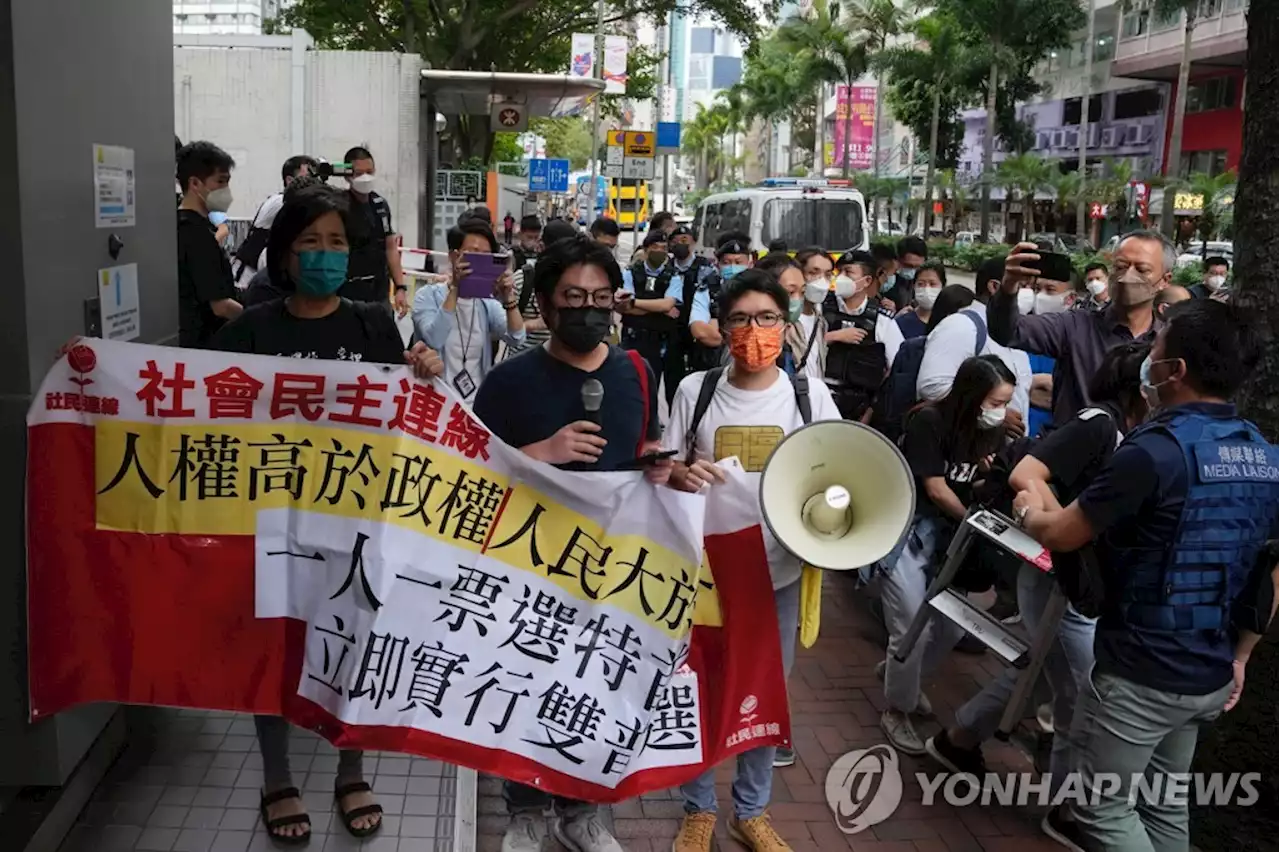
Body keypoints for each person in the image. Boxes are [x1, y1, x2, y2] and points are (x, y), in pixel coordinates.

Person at [211, 183, 443, 845]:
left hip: (356, 520)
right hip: (276, 522)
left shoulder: (372, 322)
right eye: (309, 243)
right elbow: (181, 392)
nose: (323, 254)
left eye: (336, 243)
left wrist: (419, 366)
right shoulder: (252, 329)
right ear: (284, 256)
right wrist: (89, 371)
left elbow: (401, 409)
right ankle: (277, 777)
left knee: (352, 643)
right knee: (276, 648)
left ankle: (350, 767)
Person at [1011, 300, 1280, 852]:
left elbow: (1064, 533)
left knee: (1101, 807)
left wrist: (1028, 513)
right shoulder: (1263, 453)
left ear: (1173, 371)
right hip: (1209, 669)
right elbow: (1270, 570)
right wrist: (1242, 656)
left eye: (1157, 349)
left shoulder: (1154, 451)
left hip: (1142, 670)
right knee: (1164, 803)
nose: (1147, 356)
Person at [472, 234, 665, 852]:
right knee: (524, 682)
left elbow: (644, 451)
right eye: (573, 298)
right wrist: (539, 455)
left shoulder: (637, 370)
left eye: (600, 298)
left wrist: (663, 465)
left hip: (612, 566)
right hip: (529, 562)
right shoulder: (508, 383)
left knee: (594, 687)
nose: (588, 310)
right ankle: (525, 808)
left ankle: (583, 812)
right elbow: (472, 475)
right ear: (547, 308)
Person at [926, 342, 1153, 841]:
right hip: (1059, 577)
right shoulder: (1098, 422)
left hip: (1074, 579)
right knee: (1084, 691)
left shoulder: (1138, 431)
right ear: (1140, 381)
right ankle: (1071, 809)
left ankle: (958, 738)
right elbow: (1025, 474)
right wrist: (1071, 533)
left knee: (1048, 675)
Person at [665, 268, 842, 852]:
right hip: (706, 575)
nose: (754, 331)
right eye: (740, 319)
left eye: (767, 318)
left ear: (786, 326)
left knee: (765, 692)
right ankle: (697, 810)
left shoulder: (808, 394)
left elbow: (841, 473)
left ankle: (752, 809)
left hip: (779, 574)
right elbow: (666, 468)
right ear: (721, 329)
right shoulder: (696, 391)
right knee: (699, 689)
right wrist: (680, 473)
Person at [879, 356, 1017, 753]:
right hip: (907, 531)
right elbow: (937, 488)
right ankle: (897, 709)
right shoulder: (929, 422)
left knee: (953, 626)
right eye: (994, 402)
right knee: (909, 626)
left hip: (949, 540)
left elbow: (970, 484)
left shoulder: (987, 433)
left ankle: (900, 674)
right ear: (971, 396)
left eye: (1005, 403)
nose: (1000, 412)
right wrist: (972, 519)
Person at [988, 231, 1170, 426]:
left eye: (1142, 269)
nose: (1128, 276)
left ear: (1165, 280)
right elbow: (1008, 331)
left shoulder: (1169, 342)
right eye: (1121, 267)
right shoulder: (1074, 326)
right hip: (1072, 453)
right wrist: (1009, 285)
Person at [411, 219, 525, 402]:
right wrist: (456, 288)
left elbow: (517, 337)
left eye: (486, 256)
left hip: (476, 406)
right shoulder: (427, 297)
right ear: (453, 256)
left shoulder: (487, 303)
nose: (479, 262)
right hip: (436, 402)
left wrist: (508, 298)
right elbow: (434, 339)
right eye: (472, 254)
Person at [917, 257, 1032, 438]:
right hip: (970, 454)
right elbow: (932, 387)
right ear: (994, 287)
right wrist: (994, 415)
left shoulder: (1017, 331)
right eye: (1023, 286)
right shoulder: (961, 326)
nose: (1030, 294)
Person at [822, 250, 905, 422]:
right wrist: (832, 337)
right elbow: (801, 347)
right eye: (839, 272)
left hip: (860, 408)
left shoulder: (882, 321)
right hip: (820, 400)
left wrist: (871, 410)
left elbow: (896, 367)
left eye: (848, 272)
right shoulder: (821, 309)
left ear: (867, 281)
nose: (841, 278)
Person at [176, 140, 242, 348]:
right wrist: (256, 321)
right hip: (203, 345)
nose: (226, 190)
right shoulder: (196, 234)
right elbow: (221, 306)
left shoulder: (179, 225)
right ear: (195, 184)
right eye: (220, 182)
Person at [620, 229, 685, 406]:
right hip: (634, 337)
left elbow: (667, 305)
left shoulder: (673, 276)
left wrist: (636, 302)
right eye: (655, 247)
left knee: (652, 387)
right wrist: (659, 307)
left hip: (658, 342)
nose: (659, 251)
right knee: (630, 385)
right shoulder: (630, 273)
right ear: (646, 249)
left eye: (663, 248)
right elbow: (624, 306)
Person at [232, 154, 319, 288]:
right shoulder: (279, 202)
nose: (312, 183)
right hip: (246, 279)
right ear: (290, 180)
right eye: (308, 177)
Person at [340, 146, 405, 304]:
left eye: (369, 172)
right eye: (359, 173)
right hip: (348, 292)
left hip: (379, 291)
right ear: (348, 176)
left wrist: (400, 287)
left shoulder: (380, 205)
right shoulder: (339, 205)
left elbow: (390, 247)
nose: (365, 178)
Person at [507, 218, 577, 358]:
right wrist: (533, 325)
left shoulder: (578, 282)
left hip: (564, 364)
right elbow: (502, 329)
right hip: (523, 364)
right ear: (542, 247)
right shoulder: (522, 279)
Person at [687, 234, 754, 373]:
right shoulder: (707, 290)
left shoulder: (759, 291)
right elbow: (700, 332)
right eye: (726, 262)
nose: (732, 267)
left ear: (750, 264)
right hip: (714, 367)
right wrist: (742, 336)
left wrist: (716, 326)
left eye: (738, 262)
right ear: (718, 265)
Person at [757, 252, 823, 382]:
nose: (797, 300)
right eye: (790, 292)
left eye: (802, 292)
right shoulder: (752, 340)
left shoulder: (789, 331)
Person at [895, 261, 946, 340]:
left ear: (943, 286)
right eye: (921, 284)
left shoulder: (949, 322)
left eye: (932, 284)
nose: (926, 289)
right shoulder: (902, 323)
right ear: (914, 286)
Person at [882, 236, 928, 311]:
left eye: (917, 266)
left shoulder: (921, 281)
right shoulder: (887, 281)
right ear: (898, 259)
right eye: (908, 266)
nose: (912, 271)